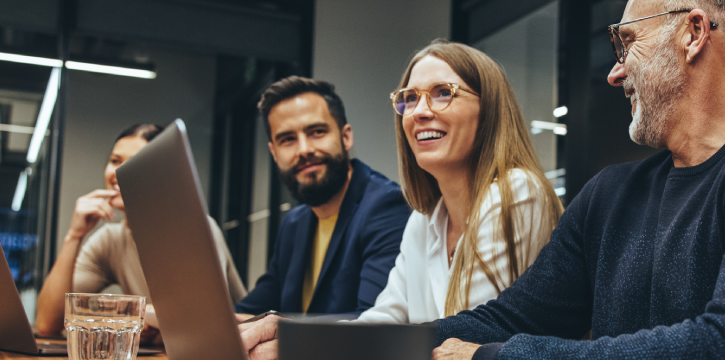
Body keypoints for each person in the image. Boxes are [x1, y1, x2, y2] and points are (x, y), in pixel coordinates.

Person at [422, 0, 725, 358]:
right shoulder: (609, 197)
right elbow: (508, 320)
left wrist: (499, 357)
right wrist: (373, 344)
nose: (614, 71)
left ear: (693, 33)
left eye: (627, 43)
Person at [237, 41, 566, 358]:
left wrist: (305, 346)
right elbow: (381, 320)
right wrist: (293, 337)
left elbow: (466, 340)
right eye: (409, 99)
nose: (419, 112)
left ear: (489, 109)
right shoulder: (423, 219)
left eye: (442, 93)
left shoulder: (517, 192)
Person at [35, 124, 247, 342]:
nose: (118, 172)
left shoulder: (198, 229)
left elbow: (201, 322)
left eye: (133, 163)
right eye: (115, 161)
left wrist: (133, 316)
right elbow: (47, 324)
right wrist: (74, 236)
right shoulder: (110, 239)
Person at [233, 76, 412, 317]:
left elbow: (373, 323)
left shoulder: (386, 207)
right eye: (288, 140)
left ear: (345, 136)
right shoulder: (293, 223)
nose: (304, 149)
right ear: (274, 153)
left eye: (317, 132)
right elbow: (251, 310)